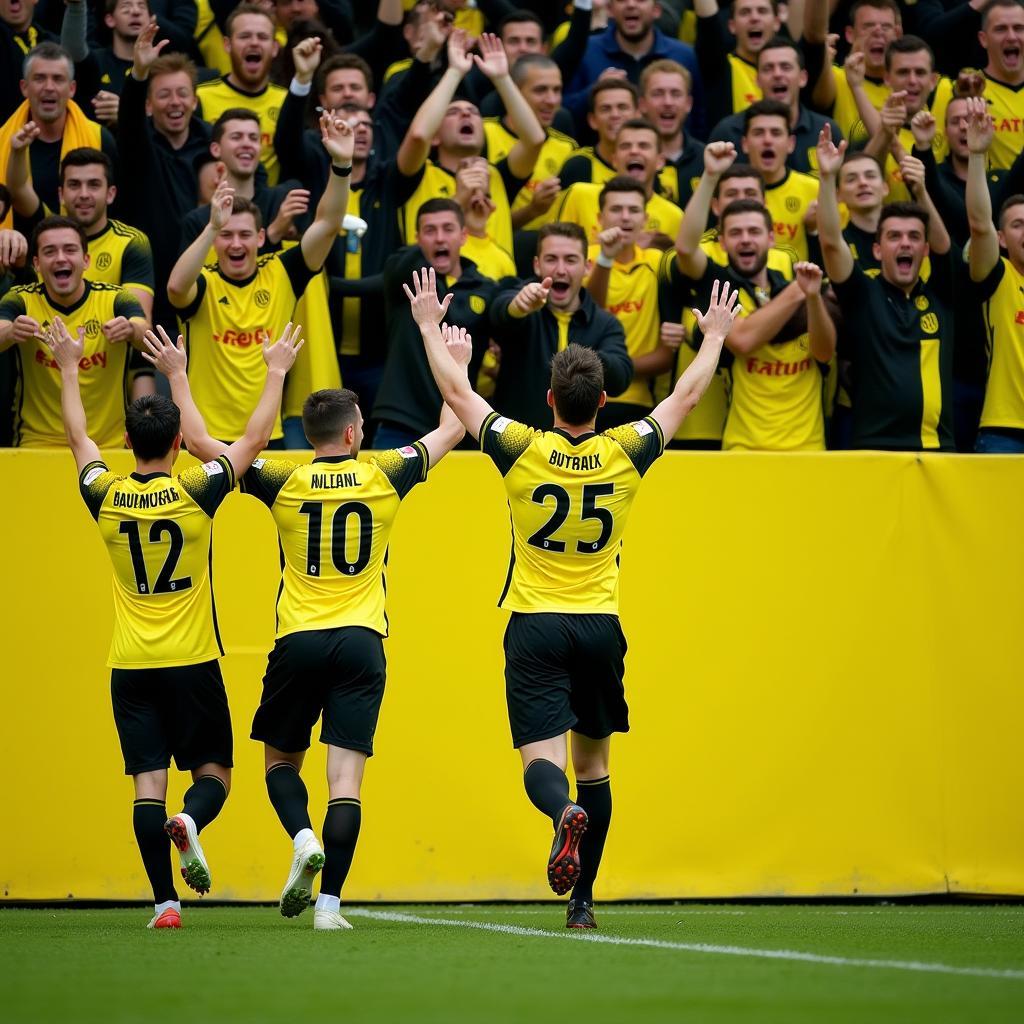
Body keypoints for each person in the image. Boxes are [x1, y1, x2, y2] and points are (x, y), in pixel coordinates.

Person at [408, 262, 738, 929]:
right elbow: (687, 396)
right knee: (595, 767)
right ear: (604, 403)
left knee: (543, 760)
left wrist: (429, 328)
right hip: (598, 625)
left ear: (550, 401)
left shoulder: (523, 448)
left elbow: (455, 391)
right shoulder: (624, 451)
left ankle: (561, 816)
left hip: (534, 622)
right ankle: (582, 904)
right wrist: (715, 336)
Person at [142, 322, 464, 930]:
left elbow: (206, 444)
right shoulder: (385, 473)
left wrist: (181, 376)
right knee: (346, 780)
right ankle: (331, 906)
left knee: (281, 766)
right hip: (362, 640)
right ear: (352, 432)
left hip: (298, 640)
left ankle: (301, 837)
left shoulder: (281, 479)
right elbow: (454, 424)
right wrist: (452, 358)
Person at [47, 311, 302, 929]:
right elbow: (252, 442)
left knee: (145, 785)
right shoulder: (195, 491)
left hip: (129, 665)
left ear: (129, 442)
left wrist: (67, 370)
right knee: (214, 774)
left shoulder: (103, 492)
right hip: (191, 662)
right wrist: (263, 374)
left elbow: (79, 439)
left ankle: (164, 903)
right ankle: (190, 823)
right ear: (177, 443)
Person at [167, 112, 353, 445]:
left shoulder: (281, 272)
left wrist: (341, 166)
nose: (235, 244)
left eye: (244, 235)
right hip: (205, 439)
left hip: (267, 438)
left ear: (261, 237)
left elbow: (327, 223)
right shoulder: (205, 282)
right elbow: (175, 288)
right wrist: (211, 226)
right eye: (226, 235)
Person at [672, 142, 840, 450]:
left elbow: (824, 352)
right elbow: (744, 340)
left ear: (772, 238)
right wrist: (797, 293)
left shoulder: (798, 281)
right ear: (721, 242)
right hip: (743, 450)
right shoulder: (723, 292)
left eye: (753, 231)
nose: (745, 240)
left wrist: (813, 299)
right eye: (735, 233)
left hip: (809, 451)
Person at [817, 124, 956, 451]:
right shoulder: (863, 293)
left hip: (938, 448)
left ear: (925, 250)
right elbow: (831, 243)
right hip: (874, 448)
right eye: (894, 237)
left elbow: (945, 244)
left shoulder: (941, 293)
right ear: (877, 250)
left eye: (913, 237)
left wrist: (921, 191)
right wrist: (825, 178)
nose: (904, 243)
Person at [0, 215, 148, 447]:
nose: (60, 258)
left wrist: (130, 330)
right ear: (37, 264)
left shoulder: (115, 299)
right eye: (50, 252)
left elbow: (145, 333)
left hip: (108, 445)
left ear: (86, 259)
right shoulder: (21, 299)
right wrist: (9, 334)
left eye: (70, 250)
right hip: (37, 443)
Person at [396, 29, 544, 257]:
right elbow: (418, 135)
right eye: (454, 112)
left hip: (500, 289)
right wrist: (455, 72)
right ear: (435, 136)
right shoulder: (418, 174)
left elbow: (534, 140)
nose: (466, 115)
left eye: (473, 112)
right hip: (435, 288)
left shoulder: (497, 176)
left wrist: (502, 78)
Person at [372, 197, 496, 448]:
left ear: (463, 236)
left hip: (460, 424)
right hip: (401, 422)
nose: (439, 238)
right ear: (417, 239)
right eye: (430, 231)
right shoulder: (404, 277)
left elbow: (506, 314)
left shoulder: (486, 288)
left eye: (448, 229)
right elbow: (397, 266)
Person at [489, 222, 633, 428]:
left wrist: (584, 359)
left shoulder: (605, 324)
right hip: (519, 448)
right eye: (551, 259)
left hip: (579, 452)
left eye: (571, 260)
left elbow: (621, 377)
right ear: (537, 265)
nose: (561, 270)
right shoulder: (522, 302)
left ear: (587, 267)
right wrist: (517, 307)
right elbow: (498, 313)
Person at [585, 176, 674, 428]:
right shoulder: (580, 258)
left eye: (634, 210)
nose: (625, 217)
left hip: (639, 402)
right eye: (616, 209)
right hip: (582, 399)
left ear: (645, 220)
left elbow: (666, 356)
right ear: (600, 218)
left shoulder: (658, 262)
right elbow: (590, 316)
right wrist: (605, 258)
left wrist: (615, 370)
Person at [963, 96, 1024, 453]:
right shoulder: (1000, 278)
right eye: (1017, 225)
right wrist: (976, 156)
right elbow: (978, 223)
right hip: (1004, 431)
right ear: (1002, 239)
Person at [0, 42, 116, 227]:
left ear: (72, 89)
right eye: (39, 78)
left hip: (86, 252)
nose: (49, 87)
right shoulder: (3, 140)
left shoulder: (101, 139)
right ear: (24, 87)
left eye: (58, 79)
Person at [563, 0, 704, 138]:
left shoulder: (685, 55)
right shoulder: (585, 51)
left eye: (640, 0)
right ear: (610, 9)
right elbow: (563, 114)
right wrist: (594, 91)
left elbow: (700, 118)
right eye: (622, 0)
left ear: (656, 10)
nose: (631, 4)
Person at [708, 36, 843, 177]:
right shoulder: (727, 133)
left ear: (803, 78)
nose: (777, 74)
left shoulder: (827, 132)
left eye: (785, 67)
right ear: (758, 80)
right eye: (768, 68)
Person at [195, 3, 287, 184]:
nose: (254, 42)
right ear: (227, 45)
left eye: (262, 37)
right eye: (245, 36)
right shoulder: (201, 98)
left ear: (275, 47)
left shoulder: (288, 102)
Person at [557, 117, 682, 246]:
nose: (634, 151)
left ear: (660, 161)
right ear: (614, 160)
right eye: (625, 146)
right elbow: (557, 250)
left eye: (643, 146)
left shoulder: (674, 217)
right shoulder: (580, 195)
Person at [739, 99, 819, 263]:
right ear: (745, 144)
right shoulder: (731, 191)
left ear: (790, 143)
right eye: (759, 133)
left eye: (776, 133)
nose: (767, 140)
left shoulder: (815, 190)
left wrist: (814, 230)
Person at [694, 0, 780, 128]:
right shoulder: (719, 67)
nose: (754, 18)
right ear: (732, 25)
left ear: (776, 23)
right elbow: (708, 22)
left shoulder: (789, 70)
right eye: (745, 12)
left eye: (762, 11)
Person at [638, 59, 703, 207]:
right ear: (642, 104)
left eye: (676, 94)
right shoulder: (630, 160)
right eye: (658, 94)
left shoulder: (707, 161)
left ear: (688, 104)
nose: (667, 102)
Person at [978, 0, 1024, 171]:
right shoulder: (967, 91)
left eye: (1019, 28)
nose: (1011, 36)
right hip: (993, 195)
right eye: (1001, 29)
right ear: (983, 39)